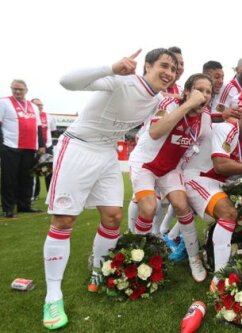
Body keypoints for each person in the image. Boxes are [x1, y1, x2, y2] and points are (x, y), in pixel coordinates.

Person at [42, 48, 178, 330]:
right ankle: (52, 295)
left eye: (174, 69)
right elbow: (67, 81)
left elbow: (161, 124)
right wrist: (111, 67)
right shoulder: (120, 80)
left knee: (113, 217)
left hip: (106, 154)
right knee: (64, 220)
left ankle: (98, 272)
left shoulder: (158, 100)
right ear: (147, 65)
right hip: (78, 145)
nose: (169, 72)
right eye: (164, 65)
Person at [128, 74, 212, 282]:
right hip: (145, 164)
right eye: (199, 90)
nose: (205, 95)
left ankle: (194, 259)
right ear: (187, 92)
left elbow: (197, 146)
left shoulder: (206, 119)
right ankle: (140, 257)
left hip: (170, 169)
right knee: (148, 208)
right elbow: (155, 132)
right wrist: (187, 105)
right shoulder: (170, 103)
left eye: (209, 92)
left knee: (182, 207)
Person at [183, 104, 242, 289]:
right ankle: (219, 276)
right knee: (228, 213)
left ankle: (224, 254)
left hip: (215, 183)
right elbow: (221, 166)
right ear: (241, 118)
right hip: (197, 177)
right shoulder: (228, 129)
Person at [0, 79, 45, 218]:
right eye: (14, 89)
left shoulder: (33, 106)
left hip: (30, 147)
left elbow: (38, 127)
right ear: (11, 89)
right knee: (9, 178)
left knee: (27, 178)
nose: (17, 91)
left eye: (20, 89)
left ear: (26, 90)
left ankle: (24, 205)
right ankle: (8, 208)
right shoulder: (3, 102)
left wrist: (41, 145)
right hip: (10, 146)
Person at [31, 98, 58, 200]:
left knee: (49, 171)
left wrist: (45, 143)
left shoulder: (49, 117)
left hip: (47, 147)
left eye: (41, 105)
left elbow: (53, 132)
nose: (39, 107)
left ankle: (51, 195)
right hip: (32, 147)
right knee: (34, 172)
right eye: (37, 105)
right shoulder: (30, 116)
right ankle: (34, 194)